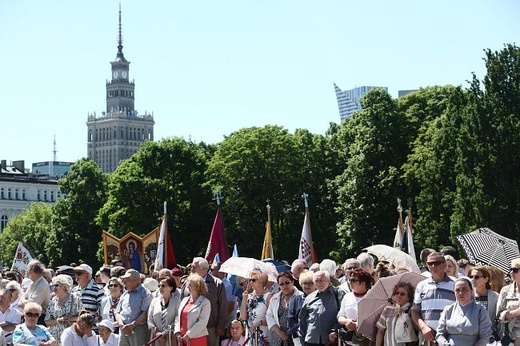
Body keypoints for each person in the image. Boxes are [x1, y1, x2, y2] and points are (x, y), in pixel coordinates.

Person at [411, 252, 455, 346]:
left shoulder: (455, 284)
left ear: (444, 265)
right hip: (428, 338)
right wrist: (423, 327)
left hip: (449, 337)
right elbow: (415, 311)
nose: (433, 266)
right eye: (430, 263)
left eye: (437, 263)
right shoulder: (422, 285)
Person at [183, 257, 228, 346]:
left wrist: (220, 326)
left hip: (211, 328)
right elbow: (181, 304)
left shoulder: (217, 284)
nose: (191, 269)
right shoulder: (186, 283)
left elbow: (223, 306)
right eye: (191, 267)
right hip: (190, 328)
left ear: (204, 269)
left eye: (194, 267)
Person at [436, 278, 491, 346]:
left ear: (471, 291)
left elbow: (485, 336)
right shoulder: (448, 310)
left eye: (464, 289)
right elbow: (439, 335)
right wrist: (446, 344)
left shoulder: (480, 309)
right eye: (457, 290)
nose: (461, 293)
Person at [298, 271, 341, 346]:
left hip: (331, 340)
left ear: (328, 281)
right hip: (311, 340)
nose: (319, 283)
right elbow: (302, 321)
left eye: (321, 280)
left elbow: (344, 314)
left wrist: (335, 330)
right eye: (316, 281)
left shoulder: (338, 294)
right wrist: (302, 340)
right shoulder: (309, 298)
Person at [115, 269, 152, 346]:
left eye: (126, 280)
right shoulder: (125, 294)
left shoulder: (145, 293)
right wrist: (122, 325)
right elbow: (117, 312)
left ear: (135, 280)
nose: (124, 282)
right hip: (123, 330)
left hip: (138, 330)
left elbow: (145, 313)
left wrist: (132, 325)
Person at [337, 268, 372, 346]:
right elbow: (340, 316)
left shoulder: (372, 297)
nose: (350, 282)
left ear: (363, 283)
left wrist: (358, 324)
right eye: (350, 280)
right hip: (349, 342)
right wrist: (346, 321)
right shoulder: (347, 296)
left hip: (367, 341)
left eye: (353, 280)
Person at [267, 272, 303, 346]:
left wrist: (290, 332)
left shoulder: (301, 297)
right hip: (278, 338)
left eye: (287, 283)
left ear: (292, 282)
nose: (284, 286)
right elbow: (269, 316)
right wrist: (279, 332)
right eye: (281, 284)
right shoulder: (274, 298)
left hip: (296, 338)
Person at [44, 274, 83, 341]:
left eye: (56, 285)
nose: (54, 288)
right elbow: (47, 321)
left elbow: (83, 317)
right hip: (55, 338)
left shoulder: (75, 299)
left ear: (65, 286)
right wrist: (59, 320)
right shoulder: (53, 301)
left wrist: (71, 318)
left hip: (71, 336)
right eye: (53, 286)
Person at [175, 274, 211, 346]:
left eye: (190, 285)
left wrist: (188, 335)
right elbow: (178, 317)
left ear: (198, 286)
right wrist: (177, 332)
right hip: (182, 339)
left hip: (197, 339)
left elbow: (202, 322)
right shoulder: (184, 300)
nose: (187, 286)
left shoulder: (205, 302)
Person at [375, 282, 416, 346]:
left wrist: (403, 315)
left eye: (402, 294)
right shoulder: (387, 309)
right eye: (396, 293)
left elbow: (415, 328)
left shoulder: (413, 310)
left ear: (408, 297)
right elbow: (380, 331)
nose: (398, 295)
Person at [239, 271, 271, 346]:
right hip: (250, 335)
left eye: (253, 280)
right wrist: (244, 300)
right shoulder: (248, 297)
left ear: (261, 282)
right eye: (250, 280)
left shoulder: (269, 297)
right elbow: (243, 317)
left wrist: (259, 323)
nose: (250, 282)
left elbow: (271, 319)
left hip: (263, 334)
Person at [148, 277, 181, 346]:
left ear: (171, 288)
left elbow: (178, 319)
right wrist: (157, 333)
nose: (160, 288)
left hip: (170, 337)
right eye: (159, 286)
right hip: (156, 337)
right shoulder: (154, 301)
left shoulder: (177, 301)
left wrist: (164, 333)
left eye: (163, 286)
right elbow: (150, 318)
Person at [72, 264, 104, 331]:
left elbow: (102, 312)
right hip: (77, 331)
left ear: (86, 276)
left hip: (92, 331)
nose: (76, 276)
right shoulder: (74, 290)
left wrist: (88, 322)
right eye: (76, 273)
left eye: (79, 273)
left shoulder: (98, 290)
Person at [287, 272, 315, 346]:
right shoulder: (295, 299)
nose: (307, 286)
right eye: (304, 283)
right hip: (299, 336)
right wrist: (297, 332)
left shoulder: (320, 299)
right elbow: (291, 318)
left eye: (310, 283)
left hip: (316, 338)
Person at [497, 258, 520, 345]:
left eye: (515, 270)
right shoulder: (505, 290)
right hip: (511, 337)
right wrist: (515, 312)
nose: (511, 272)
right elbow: (498, 315)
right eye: (510, 269)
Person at [23, 260, 51, 325]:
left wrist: (24, 302)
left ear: (32, 271)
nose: (26, 272)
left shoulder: (42, 285)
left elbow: (32, 305)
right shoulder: (33, 283)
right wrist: (25, 301)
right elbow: (21, 299)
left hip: (39, 318)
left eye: (27, 270)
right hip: (33, 317)